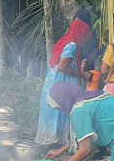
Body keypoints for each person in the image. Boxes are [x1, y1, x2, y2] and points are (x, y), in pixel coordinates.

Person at [35, 13, 94, 145]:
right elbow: (62, 67)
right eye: (83, 34)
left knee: (54, 108)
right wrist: (82, 75)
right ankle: (56, 142)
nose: (84, 38)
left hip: (54, 80)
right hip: (60, 81)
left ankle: (52, 140)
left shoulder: (65, 40)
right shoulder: (72, 45)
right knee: (60, 108)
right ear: (79, 32)